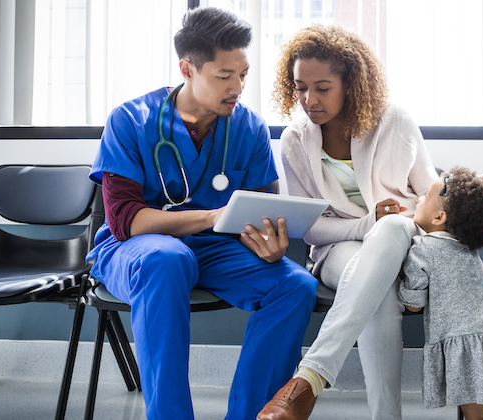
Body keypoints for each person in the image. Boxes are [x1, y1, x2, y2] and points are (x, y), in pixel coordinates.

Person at [85, 7, 317, 420]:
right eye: (224, 76)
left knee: (295, 285)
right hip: (135, 250)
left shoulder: (249, 128)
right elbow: (125, 221)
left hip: (213, 250)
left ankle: (252, 416)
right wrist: (211, 217)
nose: (237, 87)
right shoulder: (130, 120)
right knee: (167, 257)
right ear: (188, 69)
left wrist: (269, 243)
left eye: (243, 74)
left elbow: (264, 212)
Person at [256, 25, 439, 420]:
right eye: (300, 87)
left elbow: (430, 197)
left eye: (322, 87)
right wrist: (364, 225)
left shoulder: (396, 123)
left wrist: (392, 221)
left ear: (351, 83)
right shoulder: (294, 140)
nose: (309, 99)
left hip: (404, 238)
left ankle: (308, 379)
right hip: (336, 249)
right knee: (377, 288)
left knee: (390, 229)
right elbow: (312, 227)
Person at [398, 166, 483, 420]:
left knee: (476, 413)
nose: (418, 198)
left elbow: (414, 304)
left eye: (425, 196)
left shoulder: (422, 249)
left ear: (439, 218)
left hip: (465, 336)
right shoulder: (464, 243)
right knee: (479, 410)